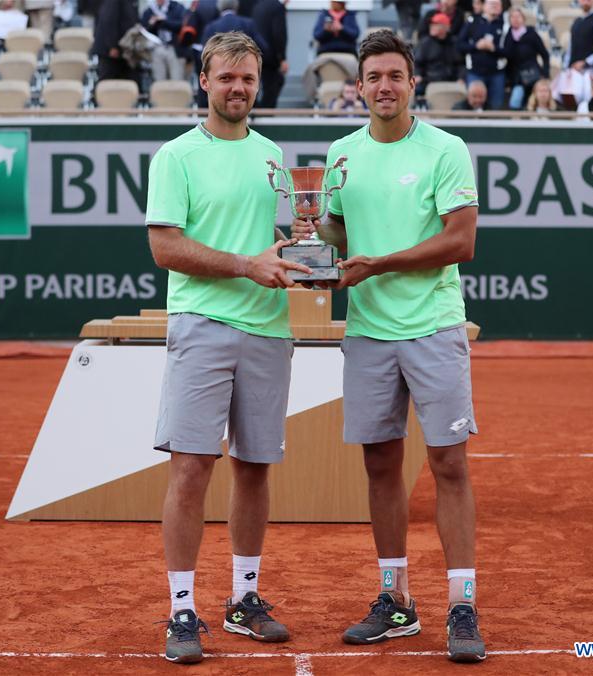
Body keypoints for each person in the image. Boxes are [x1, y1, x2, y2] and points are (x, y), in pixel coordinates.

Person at [291, 27, 486, 664]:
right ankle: (395, 601)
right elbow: (338, 229)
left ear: (412, 82)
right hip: (369, 332)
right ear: (359, 88)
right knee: (380, 466)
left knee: (449, 465)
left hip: (432, 325)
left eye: (394, 76)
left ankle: (462, 605)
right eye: (373, 77)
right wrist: (311, 228)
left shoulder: (447, 149)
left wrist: (381, 265)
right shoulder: (342, 154)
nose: (383, 86)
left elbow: (460, 242)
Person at [145, 31, 310, 665]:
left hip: (269, 330)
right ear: (205, 80)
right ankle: (182, 610)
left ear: (257, 84)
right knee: (191, 469)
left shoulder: (274, 157)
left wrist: (301, 244)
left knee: (254, 468)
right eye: (226, 77)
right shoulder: (176, 156)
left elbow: (285, 243)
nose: (237, 87)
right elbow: (166, 248)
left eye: (247, 78)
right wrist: (246, 265)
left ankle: (243, 599)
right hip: (203, 324)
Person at [457, 0, 507, 109]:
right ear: (483, 6)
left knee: (495, 107)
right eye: (491, 3)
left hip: (497, 73)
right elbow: (460, 44)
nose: (494, 6)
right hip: (475, 71)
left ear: (501, 7)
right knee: (473, 104)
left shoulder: (505, 25)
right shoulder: (472, 21)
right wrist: (476, 46)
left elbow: (510, 51)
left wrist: (493, 48)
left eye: (497, 4)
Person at [503, 6, 549, 109]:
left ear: (523, 19)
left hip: (533, 75)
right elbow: (507, 56)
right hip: (517, 78)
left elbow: (544, 54)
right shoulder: (508, 36)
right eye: (513, 17)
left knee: (536, 101)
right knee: (515, 101)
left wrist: (545, 74)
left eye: (518, 16)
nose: (515, 19)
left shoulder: (531, 34)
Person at [414, 12, 464, 96]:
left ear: (446, 27)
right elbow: (417, 63)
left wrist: (461, 78)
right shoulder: (425, 43)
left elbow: (461, 64)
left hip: (451, 81)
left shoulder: (454, 43)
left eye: (436, 24)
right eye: (432, 24)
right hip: (428, 81)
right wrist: (417, 75)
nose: (431, 27)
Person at [92, 0, 140, 83]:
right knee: (106, 81)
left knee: (126, 80)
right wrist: (112, 46)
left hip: (123, 48)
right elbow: (108, 21)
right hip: (110, 50)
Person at [252, 0, 288, 108]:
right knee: (274, 84)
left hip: (256, 52)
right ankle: (265, 114)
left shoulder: (257, 6)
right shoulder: (277, 7)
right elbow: (279, 33)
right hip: (271, 56)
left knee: (257, 85)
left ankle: (257, 110)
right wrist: (282, 57)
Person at [563, 0, 593, 78]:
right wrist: (565, 67)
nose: (585, 2)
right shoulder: (576, 22)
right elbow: (570, 49)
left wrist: (586, 62)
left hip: (590, 71)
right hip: (573, 72)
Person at [142, 0, 187, 81]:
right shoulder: (149, 10)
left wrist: (164, 21)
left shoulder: (177, 7)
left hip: (174, 48)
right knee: (159, 79)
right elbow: (144, 29)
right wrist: (152, 23)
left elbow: (182, 25)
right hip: (157, 47)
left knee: (177, 78)